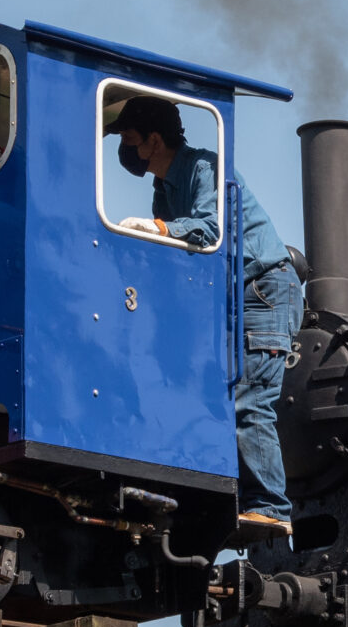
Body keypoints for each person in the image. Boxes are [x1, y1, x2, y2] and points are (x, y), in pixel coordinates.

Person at [107, 95, 301, 534]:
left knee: (250, 399)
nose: (126, 150)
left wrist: (157, 228)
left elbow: (212, 229)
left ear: (155, 140)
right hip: (228, 299)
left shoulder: (203, 168)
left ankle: (272, 507)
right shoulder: (163, 190)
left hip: (262, 291)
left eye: (130, 139)